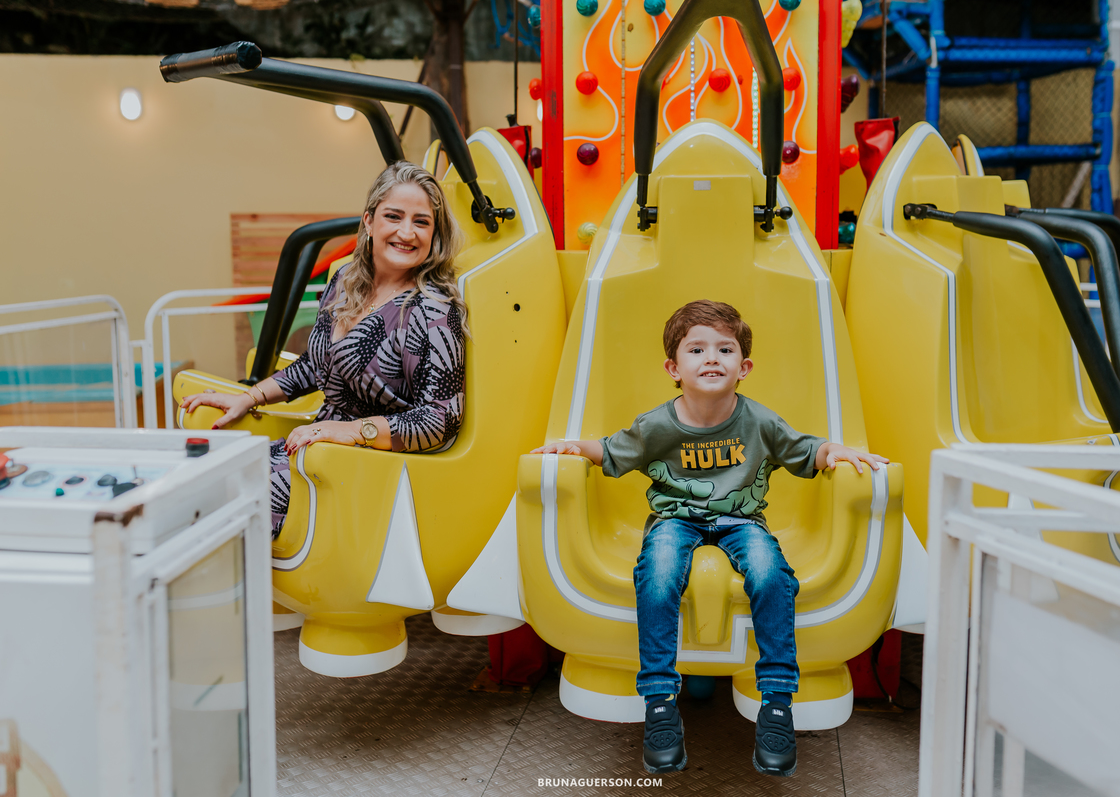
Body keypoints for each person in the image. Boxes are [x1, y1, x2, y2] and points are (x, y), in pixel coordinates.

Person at [531, 300, 887, 777]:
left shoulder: (759, 420)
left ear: (745, 367)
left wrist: (836, 452)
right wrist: (573, 447)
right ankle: (659, 701)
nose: (712, 358)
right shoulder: (657, 424)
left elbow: (806, 450)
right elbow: (612, 450)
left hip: (743, 523)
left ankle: (777, 702)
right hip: (674, 520)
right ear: (673, 368)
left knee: (771, 574)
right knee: (656, 575)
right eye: (696, 349)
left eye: (725, 348)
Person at [181, 160, 468, 536]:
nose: (406, 232)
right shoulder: (345, 281)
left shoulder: (433, 310)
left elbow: (440, 420)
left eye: (421, 222)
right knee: (201, 479)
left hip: (367, 468)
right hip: (314, 452)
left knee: (232, 506)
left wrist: (350, 431)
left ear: (434, 233)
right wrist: (248, 398)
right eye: (393, 216)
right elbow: (316, 366)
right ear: (369, 221)